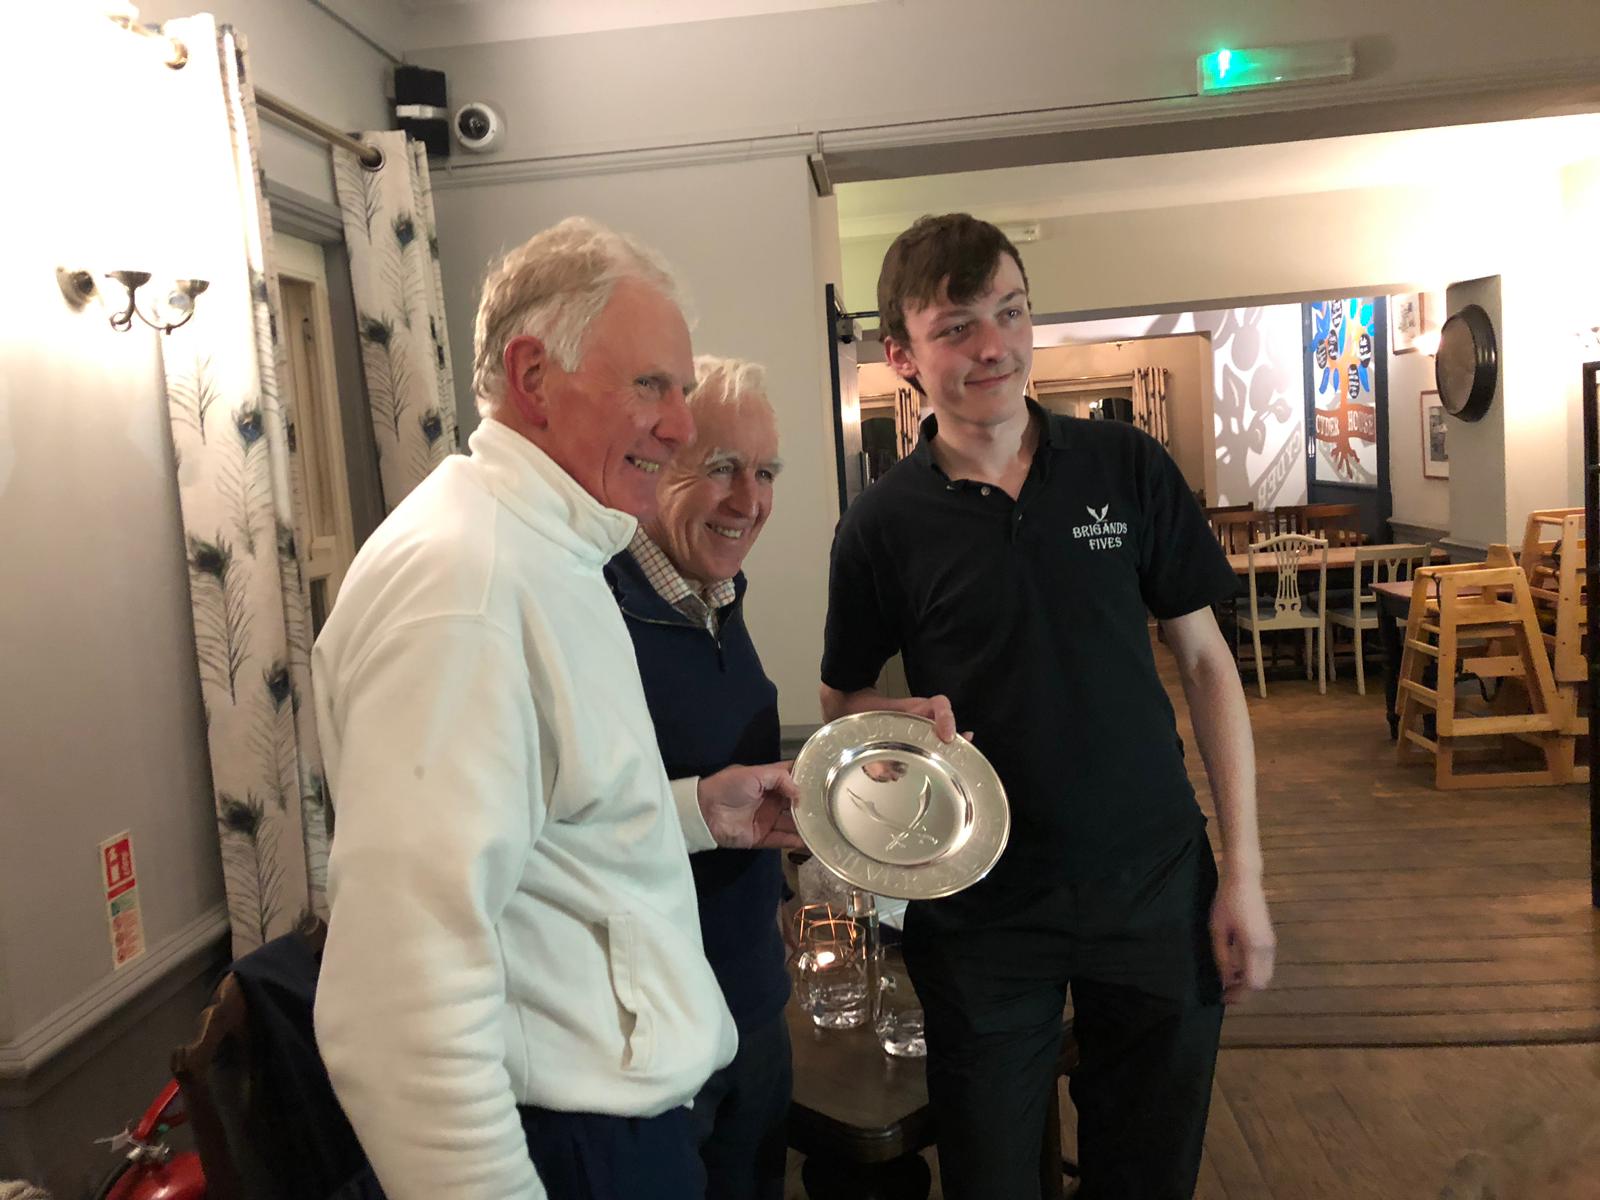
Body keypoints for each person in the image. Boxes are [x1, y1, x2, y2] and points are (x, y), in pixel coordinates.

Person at [311, 217, 800, 1200]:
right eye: (651, 387)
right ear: (534, 377)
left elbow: (538, 836)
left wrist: (697, 813)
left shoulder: (552, 550)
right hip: (566, 1148)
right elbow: (398, 996)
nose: (676, 425)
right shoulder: (467, 584)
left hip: (618, 1126)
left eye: (682, 391)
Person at [819, 213, 1275, 1200]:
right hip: (979, 908)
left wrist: (1241, 872)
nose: (995, 346)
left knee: (1147, 1173)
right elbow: (843, 699)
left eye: (1011, 312)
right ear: (900, 354)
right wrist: (894, 725)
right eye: (956, 327)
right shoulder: (880, 524)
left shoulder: (1126, 466)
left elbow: (1204, 663)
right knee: (990, 1177)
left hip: (1155, 886)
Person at [604, 355, 795, 1200]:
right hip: (649, 1035)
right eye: (720, 467)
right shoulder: (594, 607)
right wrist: (697, 813)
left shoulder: (716, 595)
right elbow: (549, 828)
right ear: (660, 462)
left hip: (749, 995)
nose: (748, 500)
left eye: (764, 473)